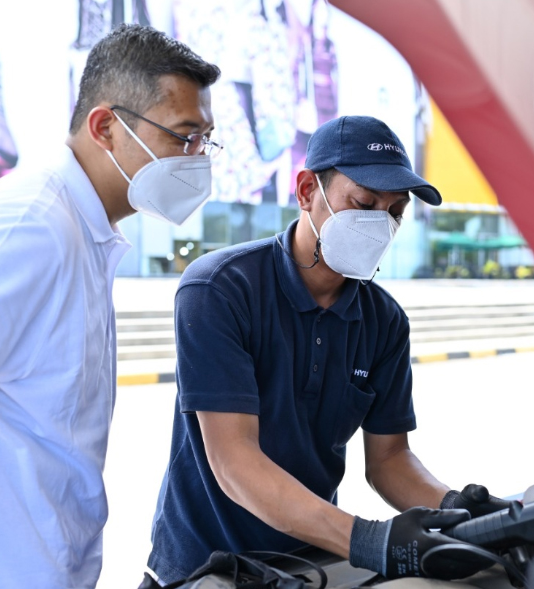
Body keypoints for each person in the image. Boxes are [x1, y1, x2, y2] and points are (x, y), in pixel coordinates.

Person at [0, 23, 220, 589]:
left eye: (206, 141)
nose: (198, 159)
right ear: (106, 127)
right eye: (183, 137)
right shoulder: (28, 227)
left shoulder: (83, 230)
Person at [147, 115, 510, 584]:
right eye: (363, 203)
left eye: (395, 212)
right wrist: (367, 540)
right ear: (306, 192)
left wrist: (458, 508)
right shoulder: (220, 289)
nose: (379, 224)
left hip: (309, 567)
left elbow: (390, 461)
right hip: (205, 570)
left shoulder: (384, 321)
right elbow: (235, 461)